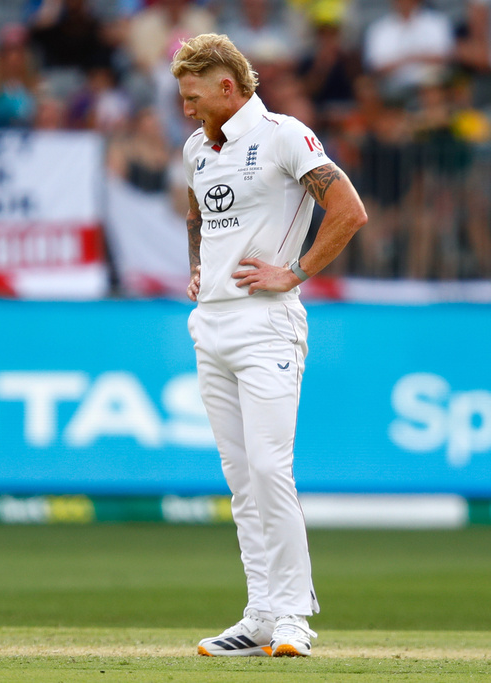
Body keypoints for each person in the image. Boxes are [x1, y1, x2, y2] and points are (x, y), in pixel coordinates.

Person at [171, 33, 366, 658]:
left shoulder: (285, 135)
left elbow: (348, 209)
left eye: (194, 95)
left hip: (268, 324)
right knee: (240, 481)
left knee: (268, 469)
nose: (187, 108)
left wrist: (296, 271)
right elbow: (199, 217)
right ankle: (259, 616)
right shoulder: (197, 148)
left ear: (228, 88)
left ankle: (293, 620)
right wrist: (199, 264)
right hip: (212, 325)